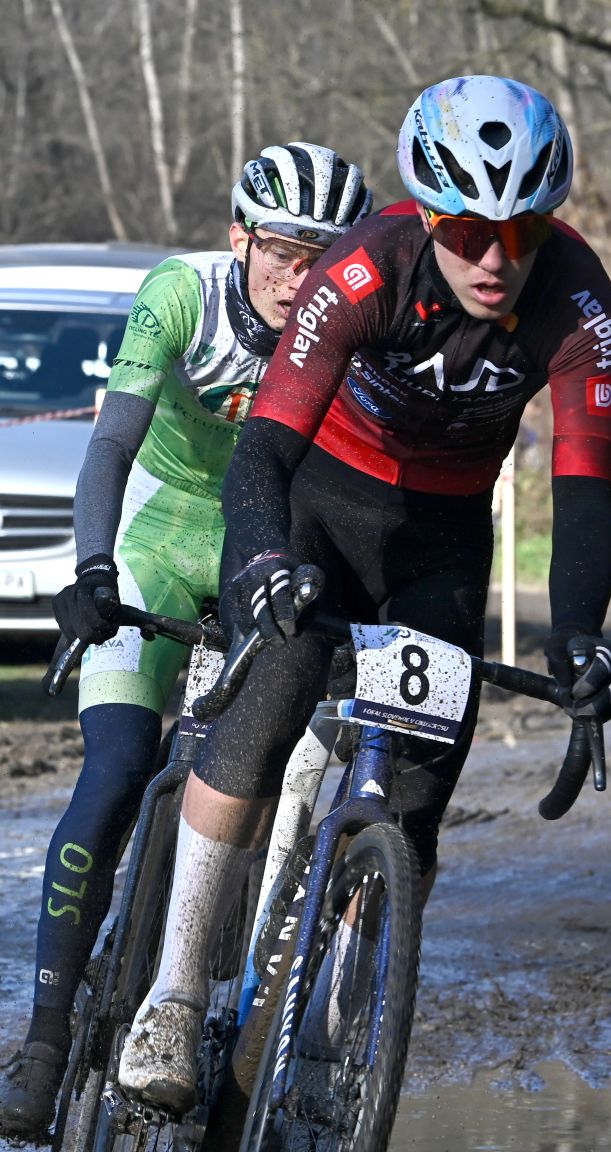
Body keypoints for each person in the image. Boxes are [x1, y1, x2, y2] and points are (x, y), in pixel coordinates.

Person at [115, 74, 611, 1113]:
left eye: (521, 229)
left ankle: (331, 1031)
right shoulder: (361, 272)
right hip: (315, 499)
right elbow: (261, 448)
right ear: (427, 216)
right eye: (467, 229)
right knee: (270, 702)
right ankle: (169, 995)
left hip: (438, 539)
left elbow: (584, 493)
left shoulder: (579, 304)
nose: (496, 257)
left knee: (418, 801)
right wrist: (260, 563)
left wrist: (580, 634)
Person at [0, 143, 372, 1141]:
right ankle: (41, 1040)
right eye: (286, 254)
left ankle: (214, 1002)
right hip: (157, 544)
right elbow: (111, 444)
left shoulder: (352, 326)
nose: (304, 282)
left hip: (264, 558)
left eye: (325, 261)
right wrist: (89, 572)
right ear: (240, 238)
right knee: (118, 769)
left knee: (264, 770)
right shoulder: (182, 296)